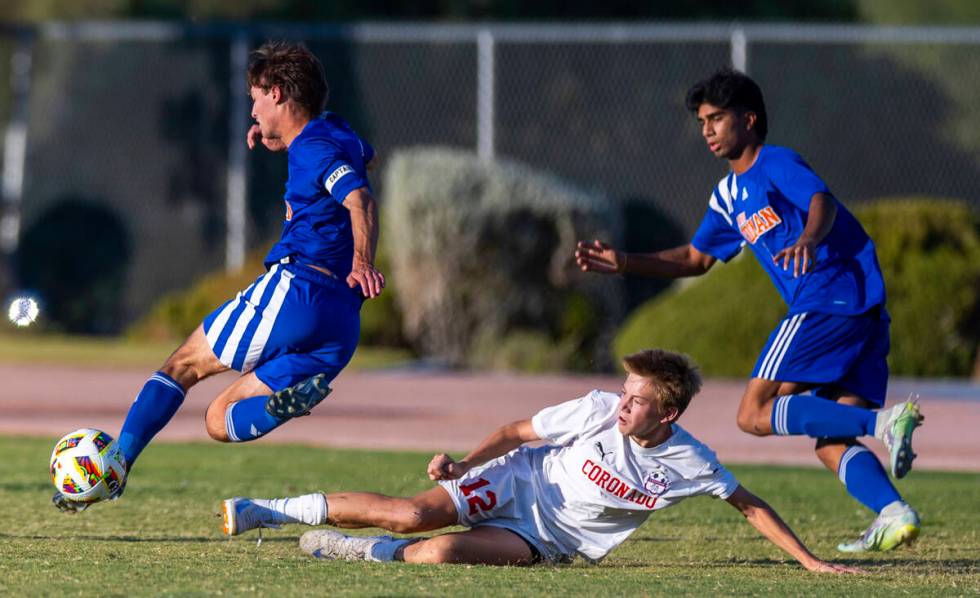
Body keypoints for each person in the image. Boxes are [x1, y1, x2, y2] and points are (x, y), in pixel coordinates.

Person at [574, 68, 922, 553]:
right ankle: (895, 511)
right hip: (861, 312)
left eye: (716, 118)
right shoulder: (727, 197)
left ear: (749, 119)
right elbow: (695, 259)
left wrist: (808, 237)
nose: (708, 130)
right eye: (702, 122)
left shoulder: (775, 164)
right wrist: (625, 262)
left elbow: (821, 200)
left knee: (753, 414)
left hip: (826, 297)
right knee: (829, 436)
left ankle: (886, 424)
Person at [53, 41, 384, 511]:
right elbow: (360, 160)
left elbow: (359, 199)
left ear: (278, 94)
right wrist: (276, 139)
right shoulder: (334, 131)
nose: (253, 108)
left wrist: (362, 260)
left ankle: (117, 465)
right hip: (341, 324)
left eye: (256, 98)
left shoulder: (312, 149)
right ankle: (275, 407)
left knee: (181, 366)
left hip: (297, 292)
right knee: (218, 419)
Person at [220, 349, 859, 573]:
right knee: (412, 515)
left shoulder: (691, 461)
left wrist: (810, 561)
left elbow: (749, 506)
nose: (623, 406)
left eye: (638, 401)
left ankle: (348, 549)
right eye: (625, 392)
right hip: (515, 481)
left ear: (668, 415)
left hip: (548, 539)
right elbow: (513, 430)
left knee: (439, 556)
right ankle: (264, 511)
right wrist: (460, 465)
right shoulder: (596, 408)